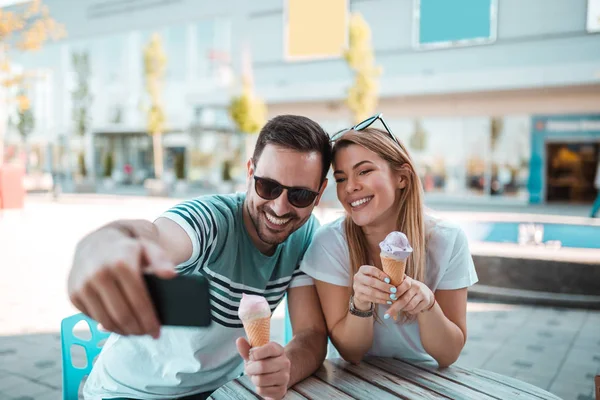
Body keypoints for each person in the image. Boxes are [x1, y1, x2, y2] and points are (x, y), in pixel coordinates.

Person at [68, 115, 331, 400]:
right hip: (127, 392)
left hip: (218, 392)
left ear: (319, 195)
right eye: (268, 187)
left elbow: (311, 334)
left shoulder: (304, 237)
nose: (280, 207)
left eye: (301, 195)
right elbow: (157, 236)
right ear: (249, 171)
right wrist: (110, 240)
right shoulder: (211, 221)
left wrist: (283, 370)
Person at [300, 114, 478, 368]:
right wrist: (360, 303)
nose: (350, 187)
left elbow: (448, 354)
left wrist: (428, 305)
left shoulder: (448, 241)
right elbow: (351, 353)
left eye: (364, 171)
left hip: (425, 380)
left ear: (402, 177)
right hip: (356, 380)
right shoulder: (329, 243)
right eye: (341, 178)